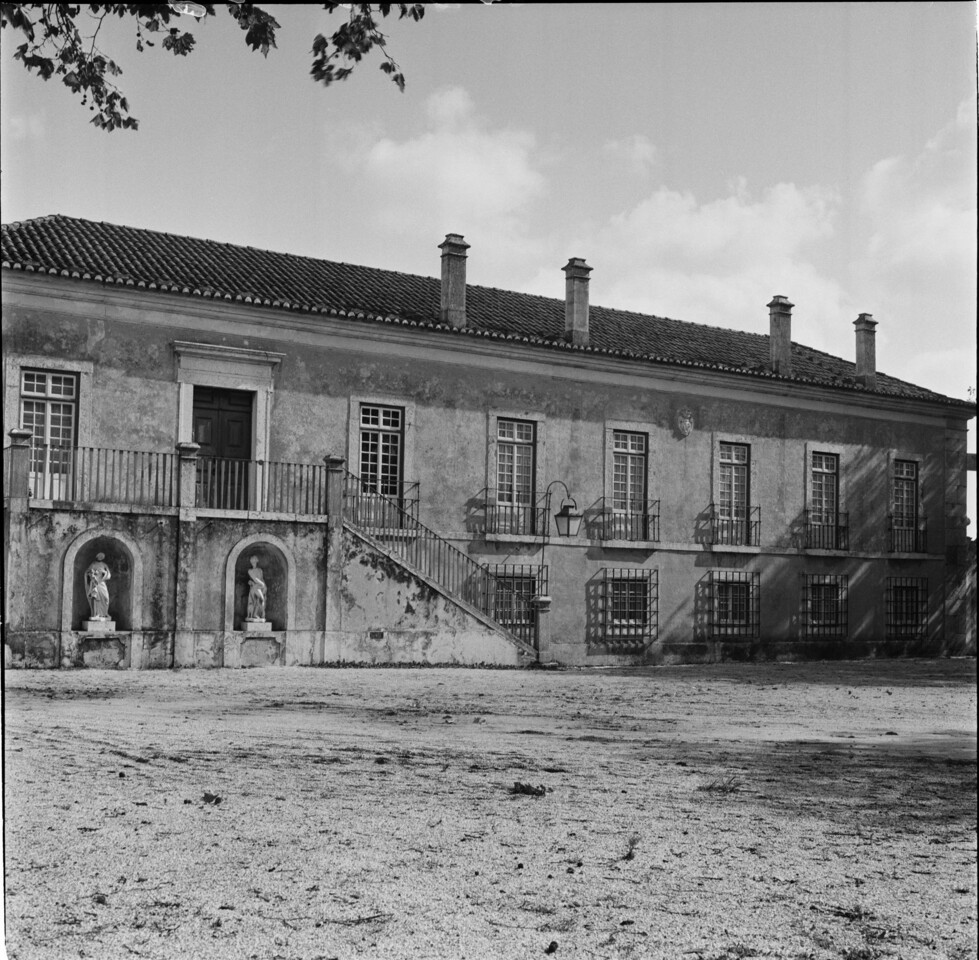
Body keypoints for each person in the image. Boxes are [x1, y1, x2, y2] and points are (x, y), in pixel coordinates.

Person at [85, 553, 111, 620]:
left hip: (102, 582)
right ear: (97, 557)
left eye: (102, 556)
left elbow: (108, 575)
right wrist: (93, 575)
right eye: (100, 556)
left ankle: (105, 613)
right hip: (95, 583)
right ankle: (96, 614)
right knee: (96, 598)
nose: (101, 557)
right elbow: (88, 572)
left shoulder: (104, 565)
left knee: (106, 598)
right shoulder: (93, 564)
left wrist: (104, 573)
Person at [246, 555, 267, 622]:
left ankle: (258, 615)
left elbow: (261, 579)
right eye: (252, 561)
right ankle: (253, 615)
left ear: (256, 561)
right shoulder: (250, 571)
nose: (253, 562)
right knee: (257, 600)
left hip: (260, 587)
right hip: (254, 587)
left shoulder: (259, 570)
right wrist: (260, 584)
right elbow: (255, 580)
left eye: (254, 560)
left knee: (260, 601)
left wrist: (263, 586)